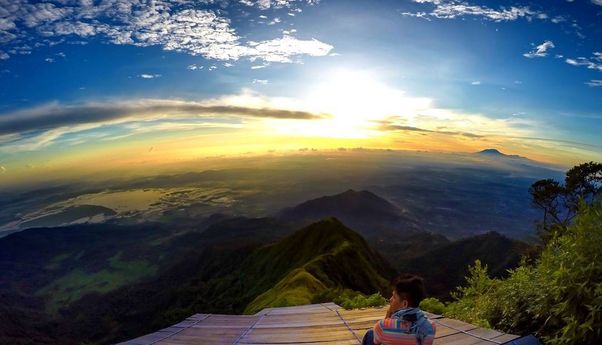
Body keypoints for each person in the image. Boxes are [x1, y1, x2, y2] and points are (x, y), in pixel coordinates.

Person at [362, 273, 436, 345]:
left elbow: (376, 341)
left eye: (394, 297)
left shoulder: (383, 326)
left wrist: (389, 314)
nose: (390, 299)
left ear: (404, 304)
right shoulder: (431, 326)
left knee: (370, 334)